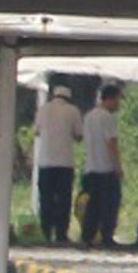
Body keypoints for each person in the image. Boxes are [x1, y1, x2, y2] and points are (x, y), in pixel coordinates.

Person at [30, 79, 83, 240]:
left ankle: (46, 231)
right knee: (63, 200)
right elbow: (78, 135)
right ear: (68, 98)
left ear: (54, 95)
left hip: (45, 161)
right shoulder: (73, 111)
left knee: (45, 198)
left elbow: (36, 132)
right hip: (65, 162)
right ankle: (61, 233)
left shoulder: (43, 110)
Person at [79, 82, 126, 247]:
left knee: (93, 205)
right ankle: (107, 236)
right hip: (106, 168)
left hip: (91, 167)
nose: (119, 104)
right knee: (109, 204)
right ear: (111, 99)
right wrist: (118, 166)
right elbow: (111, 143)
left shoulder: (89, 116)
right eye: (118, 100)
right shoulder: (107, 117)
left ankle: (87, 235)